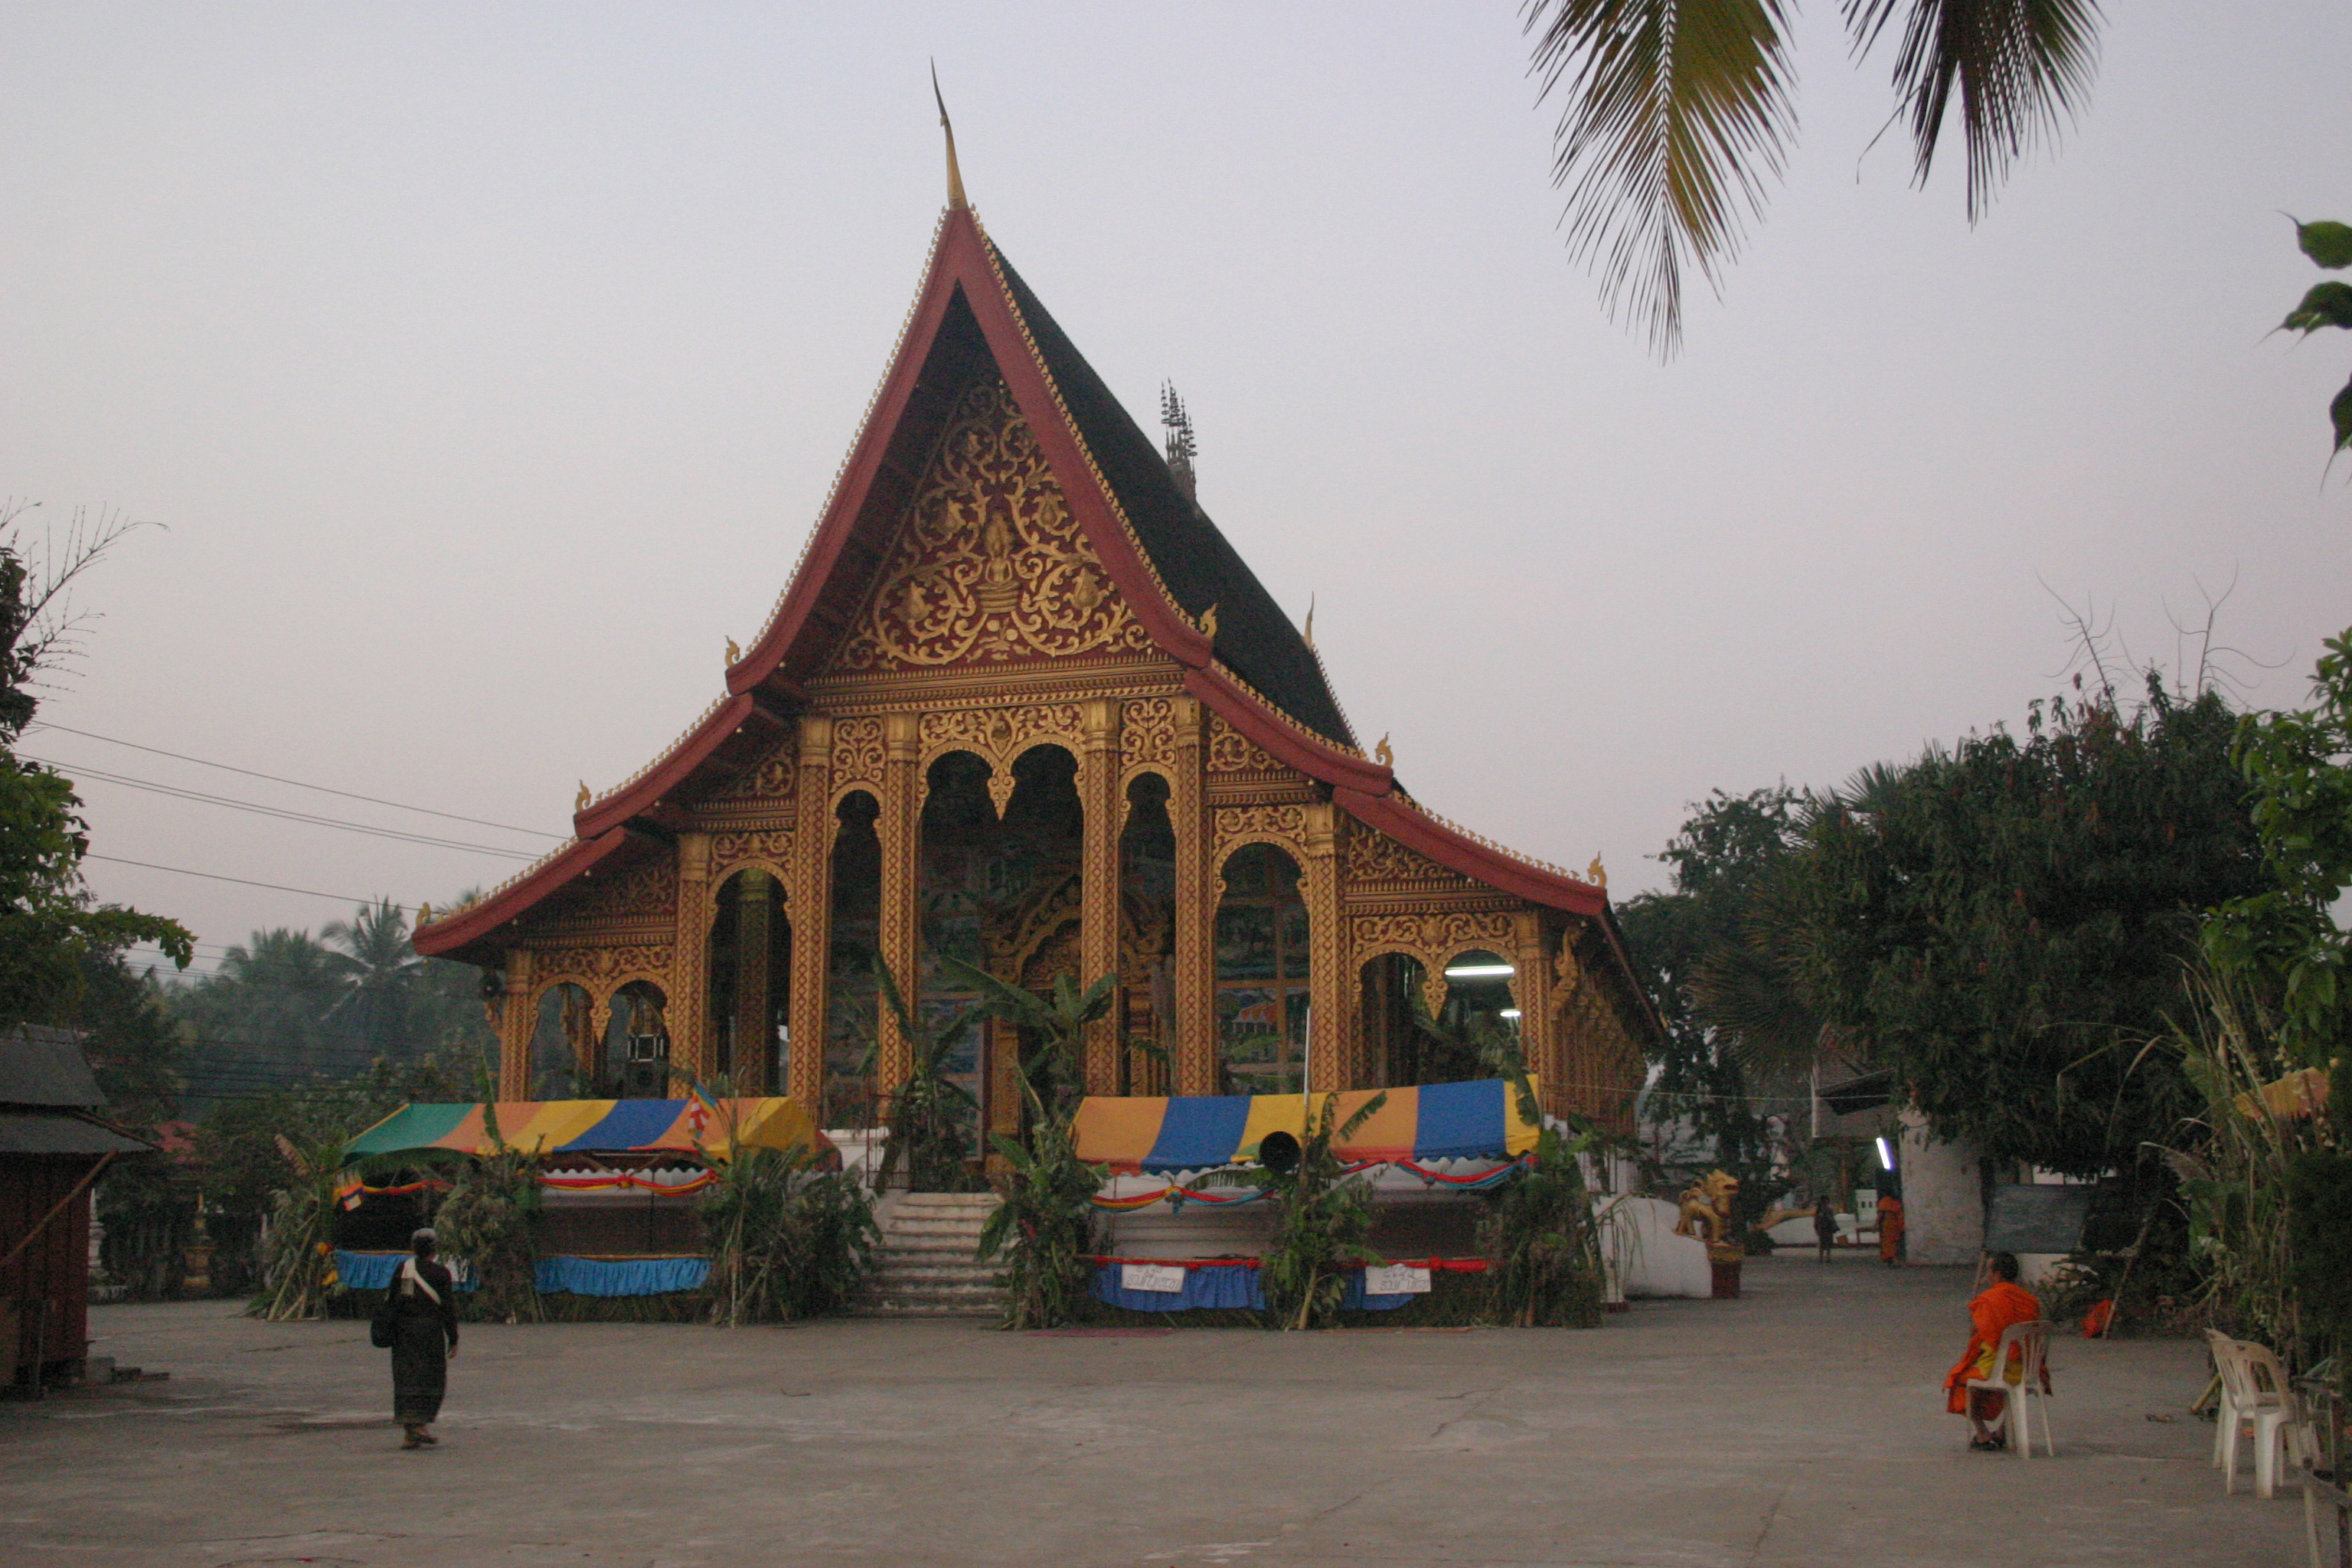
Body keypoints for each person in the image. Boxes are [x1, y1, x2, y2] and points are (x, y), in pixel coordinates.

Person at [1944, 1251, 2049, 1452]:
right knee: (2017, 1387)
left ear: (1998, 1274)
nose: (1988, 1276)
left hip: (1998, 1368)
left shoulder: (1990, 1299)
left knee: (1959, 1381)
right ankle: (2001, 1431)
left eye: (1989, 1271)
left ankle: (1983, 1434)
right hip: (2029, 1370)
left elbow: (1979, 1333)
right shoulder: (2030, 1300)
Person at [383, 1227, 459, 1449]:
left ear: (413, 1248)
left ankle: (412, 1430)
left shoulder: (404, 1270)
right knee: (430, 1378)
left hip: (405, 1334)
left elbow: (398, 1301)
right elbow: (448, 1309)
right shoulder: (441, 1274)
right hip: (430, 1334)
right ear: (435, 1250)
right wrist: (453, 1338)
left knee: (407, 1377)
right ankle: (418, 1426)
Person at [1876, 1191, 1905, 1267]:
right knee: (1895, 1243)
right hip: (1897, 1225)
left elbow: (1881, 1214)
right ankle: (1894, 1260)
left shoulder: (1884, 1202)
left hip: (1888, 1225)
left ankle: (1894, 1260)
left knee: (1888, 1243)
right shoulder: (1896, 1203)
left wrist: (1876, 1224)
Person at [1812, 1198, 1838, 1263]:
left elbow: (1816, 1221)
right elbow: (1832, 1220)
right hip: (1828, 1228)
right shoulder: (1829, 1210)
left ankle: (1821, 1258)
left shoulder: (1819, 1211)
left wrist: (1817, 1228)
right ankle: (1827, 1257)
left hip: (1822, 1229)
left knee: (1822, 1244)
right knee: (1828, 1244)